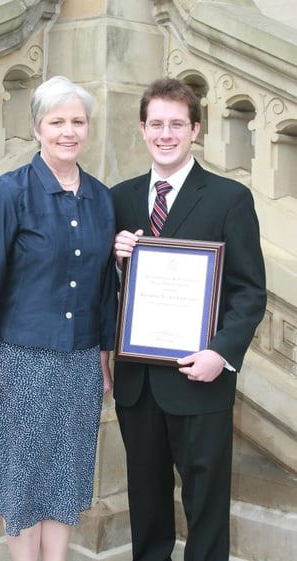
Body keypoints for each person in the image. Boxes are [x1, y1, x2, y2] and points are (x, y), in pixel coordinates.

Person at [0, 75, 118, 561]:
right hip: (21, 362)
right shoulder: (8, 193)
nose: (68, 131)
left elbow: (103, 288)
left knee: (66, 477)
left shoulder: (101, 197)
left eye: (78, 121)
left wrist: (103, 356)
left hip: (79, 363)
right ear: (37, 128)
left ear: (88, 128)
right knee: (24, 483)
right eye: (57, 122)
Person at [111, 78, 267, 561]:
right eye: (156, 123)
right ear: (141, 129)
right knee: (147, 504)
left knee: (205, 506)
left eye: (176, 124)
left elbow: (249, 291)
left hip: (199, 377)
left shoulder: (228, 197)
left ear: (195, 130)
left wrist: (221, 353)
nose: (165, 133)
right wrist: (116, 263)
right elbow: (102, 292)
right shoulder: (120, 197)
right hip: (137, 383)